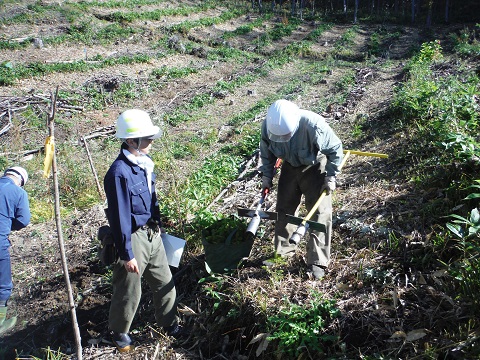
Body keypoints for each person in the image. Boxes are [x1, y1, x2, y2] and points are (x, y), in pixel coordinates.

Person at [104, 109, 182, 353]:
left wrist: (158, 223)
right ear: (130, 141)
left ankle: (170, 325)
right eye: (146, 138)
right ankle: (119, 333)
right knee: (129, 290)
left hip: (151, 234)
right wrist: (127, 254)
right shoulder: (119, 173)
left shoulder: (143, 165)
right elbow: (120, 218)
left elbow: (151, 199)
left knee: (165, 282)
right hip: (133, 237)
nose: (151, 142)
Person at [259, 99, 343, 280]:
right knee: (284, 208)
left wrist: (331, 176)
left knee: (320, 212)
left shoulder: (313, 125)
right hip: (289, 165)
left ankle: (317, 261)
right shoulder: (269, 126)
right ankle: (282, 253)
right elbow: (266, 152)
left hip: (315, 166)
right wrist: (266, 176)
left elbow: (335, 148)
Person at [0, 166, 31, 334]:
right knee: (3, 285)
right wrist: (7, 226)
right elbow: (24, 220)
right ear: (21, 181)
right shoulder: (18, 193)